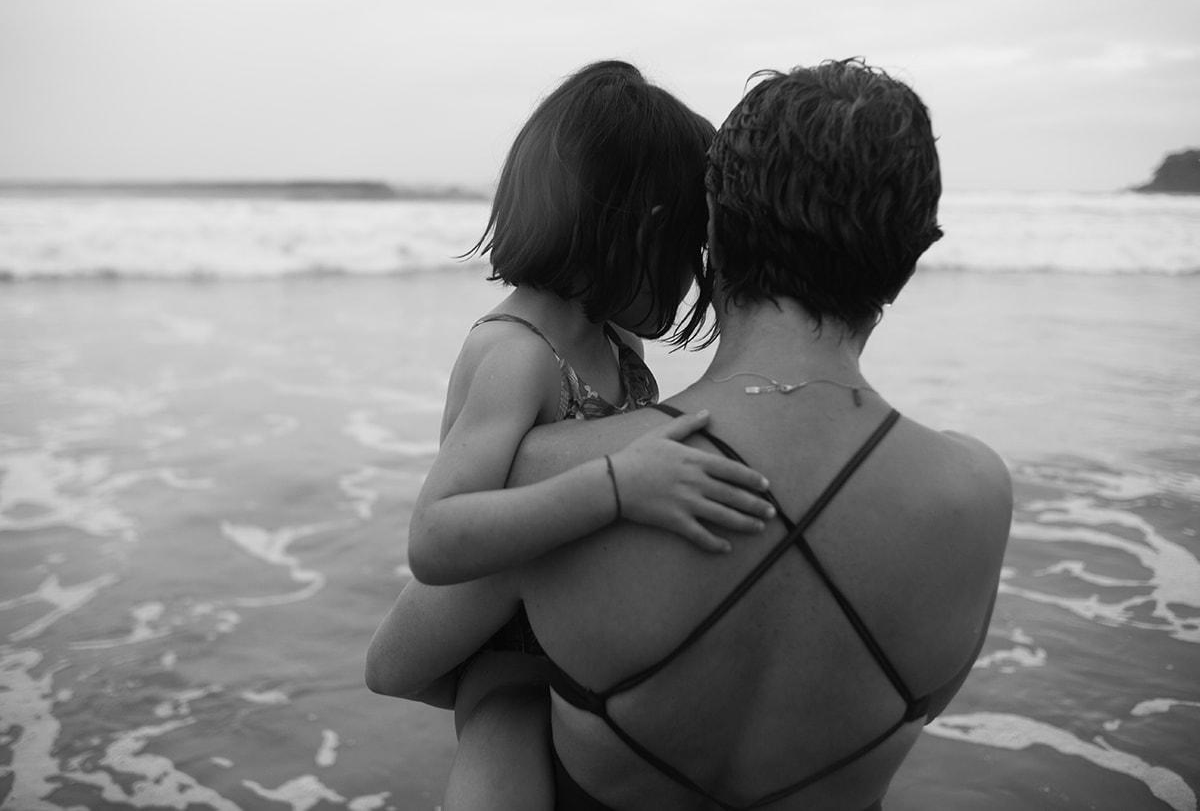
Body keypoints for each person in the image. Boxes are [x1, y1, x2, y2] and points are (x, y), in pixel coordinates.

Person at [368, 59, 1013, 810]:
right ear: (911, 255)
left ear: (717, 230)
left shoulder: (551, 470)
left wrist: (499, 703)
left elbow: (396, 665)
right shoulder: (978, 497)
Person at [404, 60, 775, 810]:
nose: (687, 285)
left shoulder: (616, 348)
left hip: (567, 627)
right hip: (502, 647)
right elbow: (435, 537)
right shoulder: (516, 356)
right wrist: (617, 487)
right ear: (645, 230)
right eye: (686, 258)